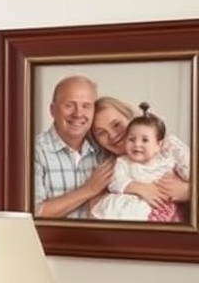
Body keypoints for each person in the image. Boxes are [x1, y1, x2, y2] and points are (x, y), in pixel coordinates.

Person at [90, 95, 191, 221]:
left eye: (116, 124)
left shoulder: (167, 146)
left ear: (131, 119)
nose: (113, 135)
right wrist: (135, 187)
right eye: (101, 133)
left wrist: (187, 191)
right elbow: (96, 210)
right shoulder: (109, 166)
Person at [33, 74, 113, 218]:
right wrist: (88, 190)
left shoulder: (103, 149)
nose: (78, 113)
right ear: (52, 110)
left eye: (86, 106)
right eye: (69, 105)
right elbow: (34, 213)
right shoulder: (34, 151)